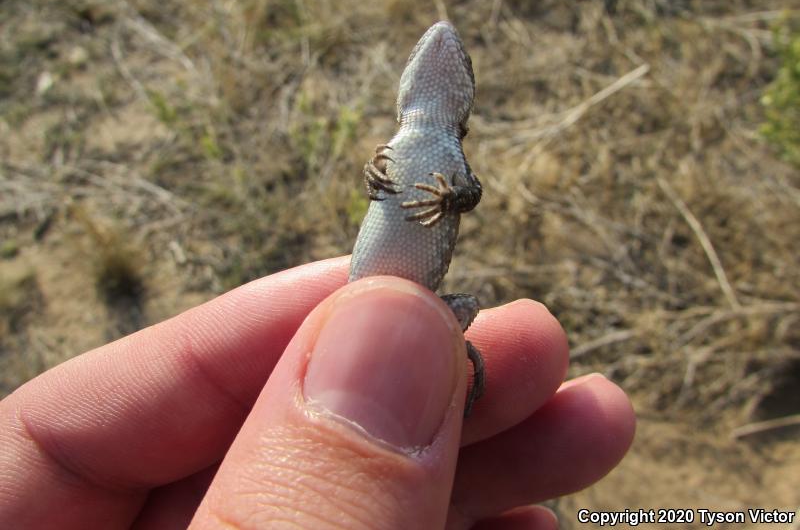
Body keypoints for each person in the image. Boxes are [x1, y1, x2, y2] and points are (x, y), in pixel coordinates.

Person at [0, 256, 635, 528]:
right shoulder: (400, 145)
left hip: (381, 300)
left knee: (448, 316)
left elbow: (466, 194)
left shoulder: (450, 158)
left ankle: (449, 347)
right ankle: (440, 348)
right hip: (367, 297)